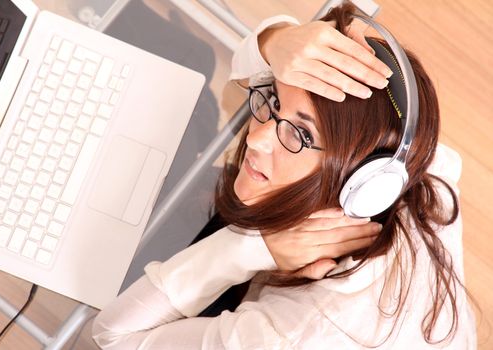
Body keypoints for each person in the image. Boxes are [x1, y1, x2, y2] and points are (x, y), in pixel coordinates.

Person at [92, 4, 476, 349]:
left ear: (360, 181)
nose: (257, 139)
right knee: (185, 78)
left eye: (301, 134)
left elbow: (114, 334)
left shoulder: (289, 336)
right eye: (274, 101)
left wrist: (250, 249)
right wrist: (276, 43)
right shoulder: (425, 172)